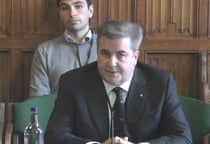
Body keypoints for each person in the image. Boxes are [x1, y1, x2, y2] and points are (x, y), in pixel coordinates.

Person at [45, 20, 192, 144]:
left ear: (135, 57)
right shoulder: (73, 82)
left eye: (121, 54)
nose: (111, 63)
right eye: (105, 53)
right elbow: (54, 136)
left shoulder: (160, 83)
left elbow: (182, 137)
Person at [29, 0, 97, 96]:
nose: (72, 13)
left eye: (78, 6)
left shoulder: (108, 48)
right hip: (59, 110)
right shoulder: (45, 51)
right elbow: (39, 100)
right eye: (65, 8)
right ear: (59, 13)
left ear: (90, 11)